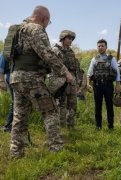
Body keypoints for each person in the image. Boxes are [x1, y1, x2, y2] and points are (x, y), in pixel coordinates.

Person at [9, 5, 73, 158]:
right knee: (50, 111)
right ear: (44, 19)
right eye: (47, 22)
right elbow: (47, 54)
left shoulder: (17, 30)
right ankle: (56, 148)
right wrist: (65, 72)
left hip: (16, 78)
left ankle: (16, 153)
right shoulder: (36, 29)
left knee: (20, 116)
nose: (46, 26)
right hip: (32, 79)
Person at [87, 39, 121, 130]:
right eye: (99, 46)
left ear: (106, 47)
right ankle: (98, 126)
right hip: (97, 85)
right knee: (98, 106)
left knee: (109, 105)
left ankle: (111, 126)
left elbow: (117, 72)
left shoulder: (111, 58)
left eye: (102, 46)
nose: (100, 47)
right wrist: (88, 84)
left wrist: (118, 85)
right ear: (97, 47)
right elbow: (89, 73)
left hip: (108, 85)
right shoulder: (94, 59)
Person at [48, 30, 78, 128]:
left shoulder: (71, 52)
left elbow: (76, 66)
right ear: (63, 38)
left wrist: (77, 81)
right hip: (60, 81)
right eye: (69, 38)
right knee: (61, 103)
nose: (71, 41)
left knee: (72, 103)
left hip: (72, 80)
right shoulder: (55, 50)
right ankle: (61, 127)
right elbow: (55, 65)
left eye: (72, 39)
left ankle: (71, 126)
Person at [0, 54, 13, 132]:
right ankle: (8, 126)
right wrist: (1, 81)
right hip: (12, 79)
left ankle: (10, 126)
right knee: (15, 103)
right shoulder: (6, 51)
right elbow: (0, 68)